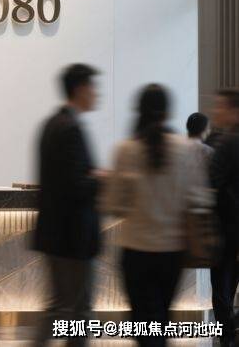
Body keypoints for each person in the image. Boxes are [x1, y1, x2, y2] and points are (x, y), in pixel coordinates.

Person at [105, 85, 208, 347]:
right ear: (167, 112)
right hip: (172, 252)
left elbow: (113, 205)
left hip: (135, 251)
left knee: (144, 324)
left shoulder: (126, 150)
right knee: (161, 320)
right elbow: (198, 199)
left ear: (139, 110)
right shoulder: (186, 150)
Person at [33, 63, 101, 347]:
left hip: (55, 235)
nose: (97, 94)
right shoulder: (71, 128)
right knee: (77, 311)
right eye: (93, 87)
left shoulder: (51, 124)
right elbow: (76, 186)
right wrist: (100, 178)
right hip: (73, 237)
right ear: (81, 89)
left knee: (60, 308)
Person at [209, 89, 239, 347]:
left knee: (221, 289)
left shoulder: (227, 143)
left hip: (227, 229)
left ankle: (227, 337)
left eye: (220, 106)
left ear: (234, 111)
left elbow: (212, 184)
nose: (215, 111)